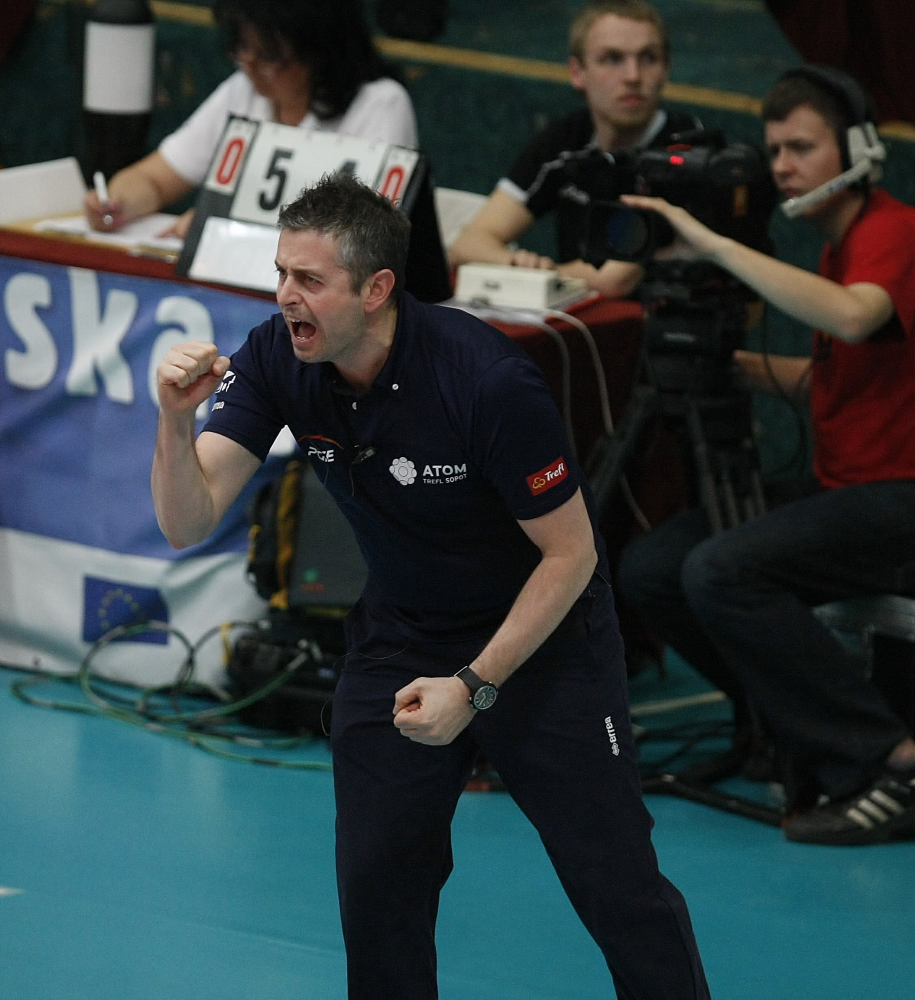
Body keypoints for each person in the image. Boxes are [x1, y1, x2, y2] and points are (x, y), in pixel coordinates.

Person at [151, 173, 711, 1000]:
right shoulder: (278, 355)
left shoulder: (485, 380)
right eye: (281, 273)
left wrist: (475, 686)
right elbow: (186, 521)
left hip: (544, 638)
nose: (285, 296)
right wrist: (173, 419)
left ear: (376, 289)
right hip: (405, 632)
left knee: (615, 882)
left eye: (309, 280)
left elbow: (571, 556)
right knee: (377, 882)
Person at [617, 65, 915, 845]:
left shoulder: (896, 232)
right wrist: (724, 362)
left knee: (724, 570)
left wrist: (713, 245)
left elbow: (852, 318)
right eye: (774, 150)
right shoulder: (840, 248)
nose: (782, 166)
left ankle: (896, 764)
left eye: (802, 148)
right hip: (853, 487)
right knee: (653, 567)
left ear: (860, 150)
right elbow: (830, 377)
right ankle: (783, 725)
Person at [84, 0, 417, 239]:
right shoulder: (242, 91)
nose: (251, 65)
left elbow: (366, 236)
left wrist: (222, 225)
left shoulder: (380, 105)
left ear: (319, 49)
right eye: (242, 47)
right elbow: (155, 178)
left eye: (270, 54)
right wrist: (118, 202)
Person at [448, 0, 699, 298]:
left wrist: (538, 275)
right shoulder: (565, 139)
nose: (633, 76)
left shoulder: (686, 148)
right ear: (578, 72)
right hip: (577, 317)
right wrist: (518, 265)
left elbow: (613, 280)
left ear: (666, 69)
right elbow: (467, 244)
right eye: (612, 59)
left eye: (648, 58)